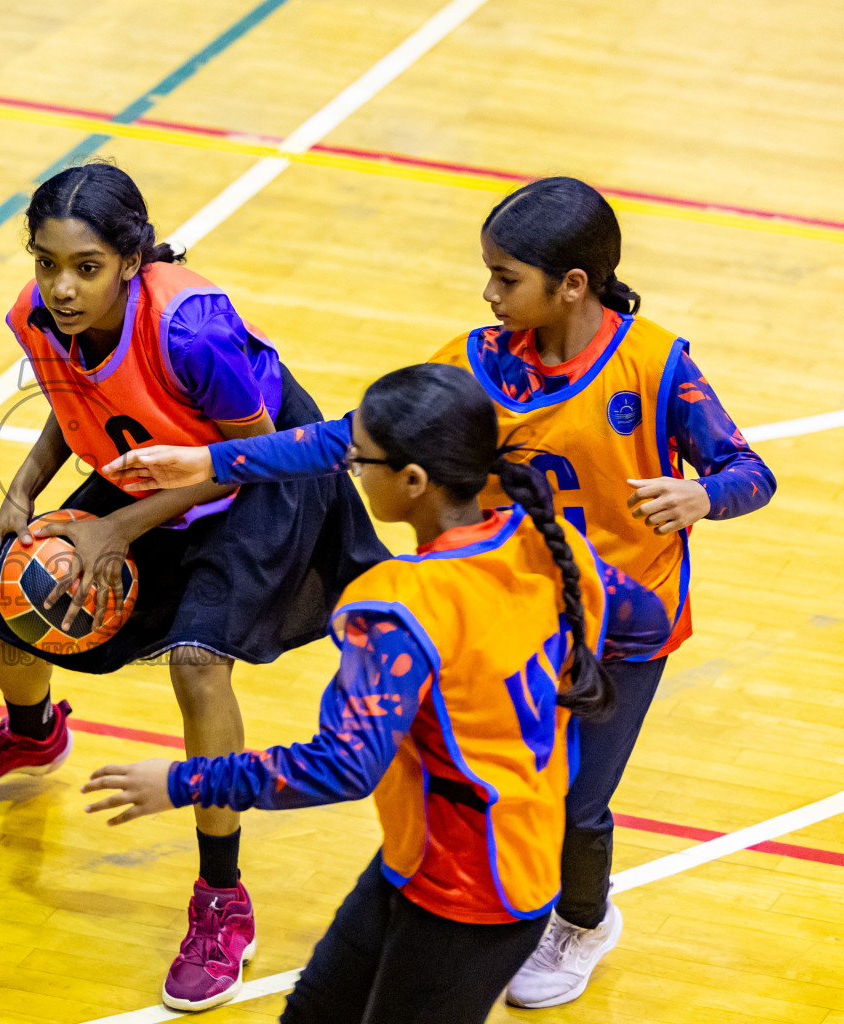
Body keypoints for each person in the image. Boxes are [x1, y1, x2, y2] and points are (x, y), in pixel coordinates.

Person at [104, 176, 775, 1008]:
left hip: (614, 618)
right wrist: (209, 462)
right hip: (500, 607)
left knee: (575, 802)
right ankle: (468, 889)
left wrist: (705, 496)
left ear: (573, 284)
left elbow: (753, 472)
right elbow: (345, 438)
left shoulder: (656, 364)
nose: (489, 294)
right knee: (513, 780)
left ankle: (582, 920)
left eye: (506, 278)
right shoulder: (474, 363)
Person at [0, 162, 389, 1010]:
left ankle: (221, 900)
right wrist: (23, 491)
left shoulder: (191, 329)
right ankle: (29, 736)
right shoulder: (36, 317)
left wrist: (117, 528)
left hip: (259, 473)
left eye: (85, 268)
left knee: (199, 663)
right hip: (147, 464)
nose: (62, 287)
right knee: (8, 624)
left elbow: (244, 457)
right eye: (46, 263)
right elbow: (78, 398)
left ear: (130, 262)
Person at [84, 363, 669, 1023]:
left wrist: (184, 782)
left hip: (472, 899)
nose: (354, 470)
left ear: (413, 482)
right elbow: (648, 622)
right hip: (444, 857)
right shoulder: (549, 546)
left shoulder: (397, 608)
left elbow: (343, 765)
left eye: (361, 459)